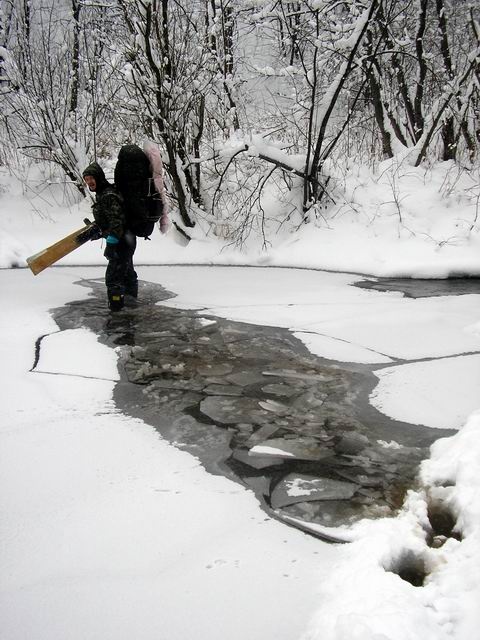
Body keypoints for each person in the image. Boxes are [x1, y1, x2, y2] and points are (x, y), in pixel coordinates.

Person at [82, 162, 138, 311]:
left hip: (122, 242)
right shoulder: (104, 193)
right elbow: (111, 220)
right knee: (126, 273)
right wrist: (98, 229)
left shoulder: (108, 195)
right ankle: (132, 307)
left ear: (98, 177)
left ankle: (117, 312)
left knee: (113, 278)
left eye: (91, 178)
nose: (89, 182)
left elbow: (117, 222)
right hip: (126, 240)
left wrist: (111, 245)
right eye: (86, 179)